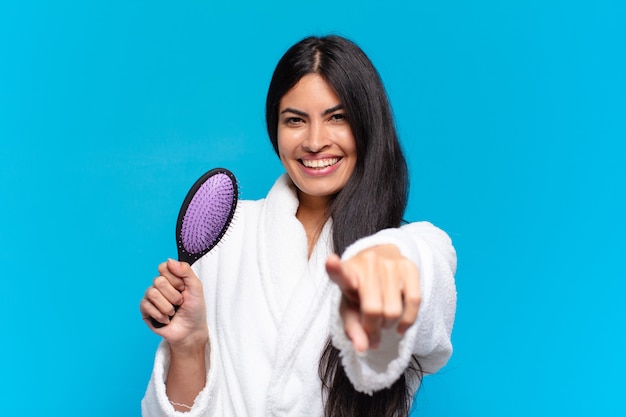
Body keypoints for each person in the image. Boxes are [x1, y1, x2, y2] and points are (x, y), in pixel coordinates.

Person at [139, 35, 457, 417]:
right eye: (295, 120)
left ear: (367, 124)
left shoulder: (409, 246)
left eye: (337, 118)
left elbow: (425, 272)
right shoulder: (225, 234)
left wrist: (387, 272)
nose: (315, 141)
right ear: (275, 128)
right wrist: (188, 345)